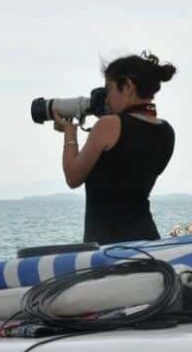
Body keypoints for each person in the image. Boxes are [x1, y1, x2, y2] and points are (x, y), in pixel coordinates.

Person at [54, 53, 177, 245]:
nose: (106, 99)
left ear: (128, 86)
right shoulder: (166, 131)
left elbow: (73, 177)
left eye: (109, 89)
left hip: (109, 246)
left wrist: (69, 132)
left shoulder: (108, 126)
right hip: (148, 242)